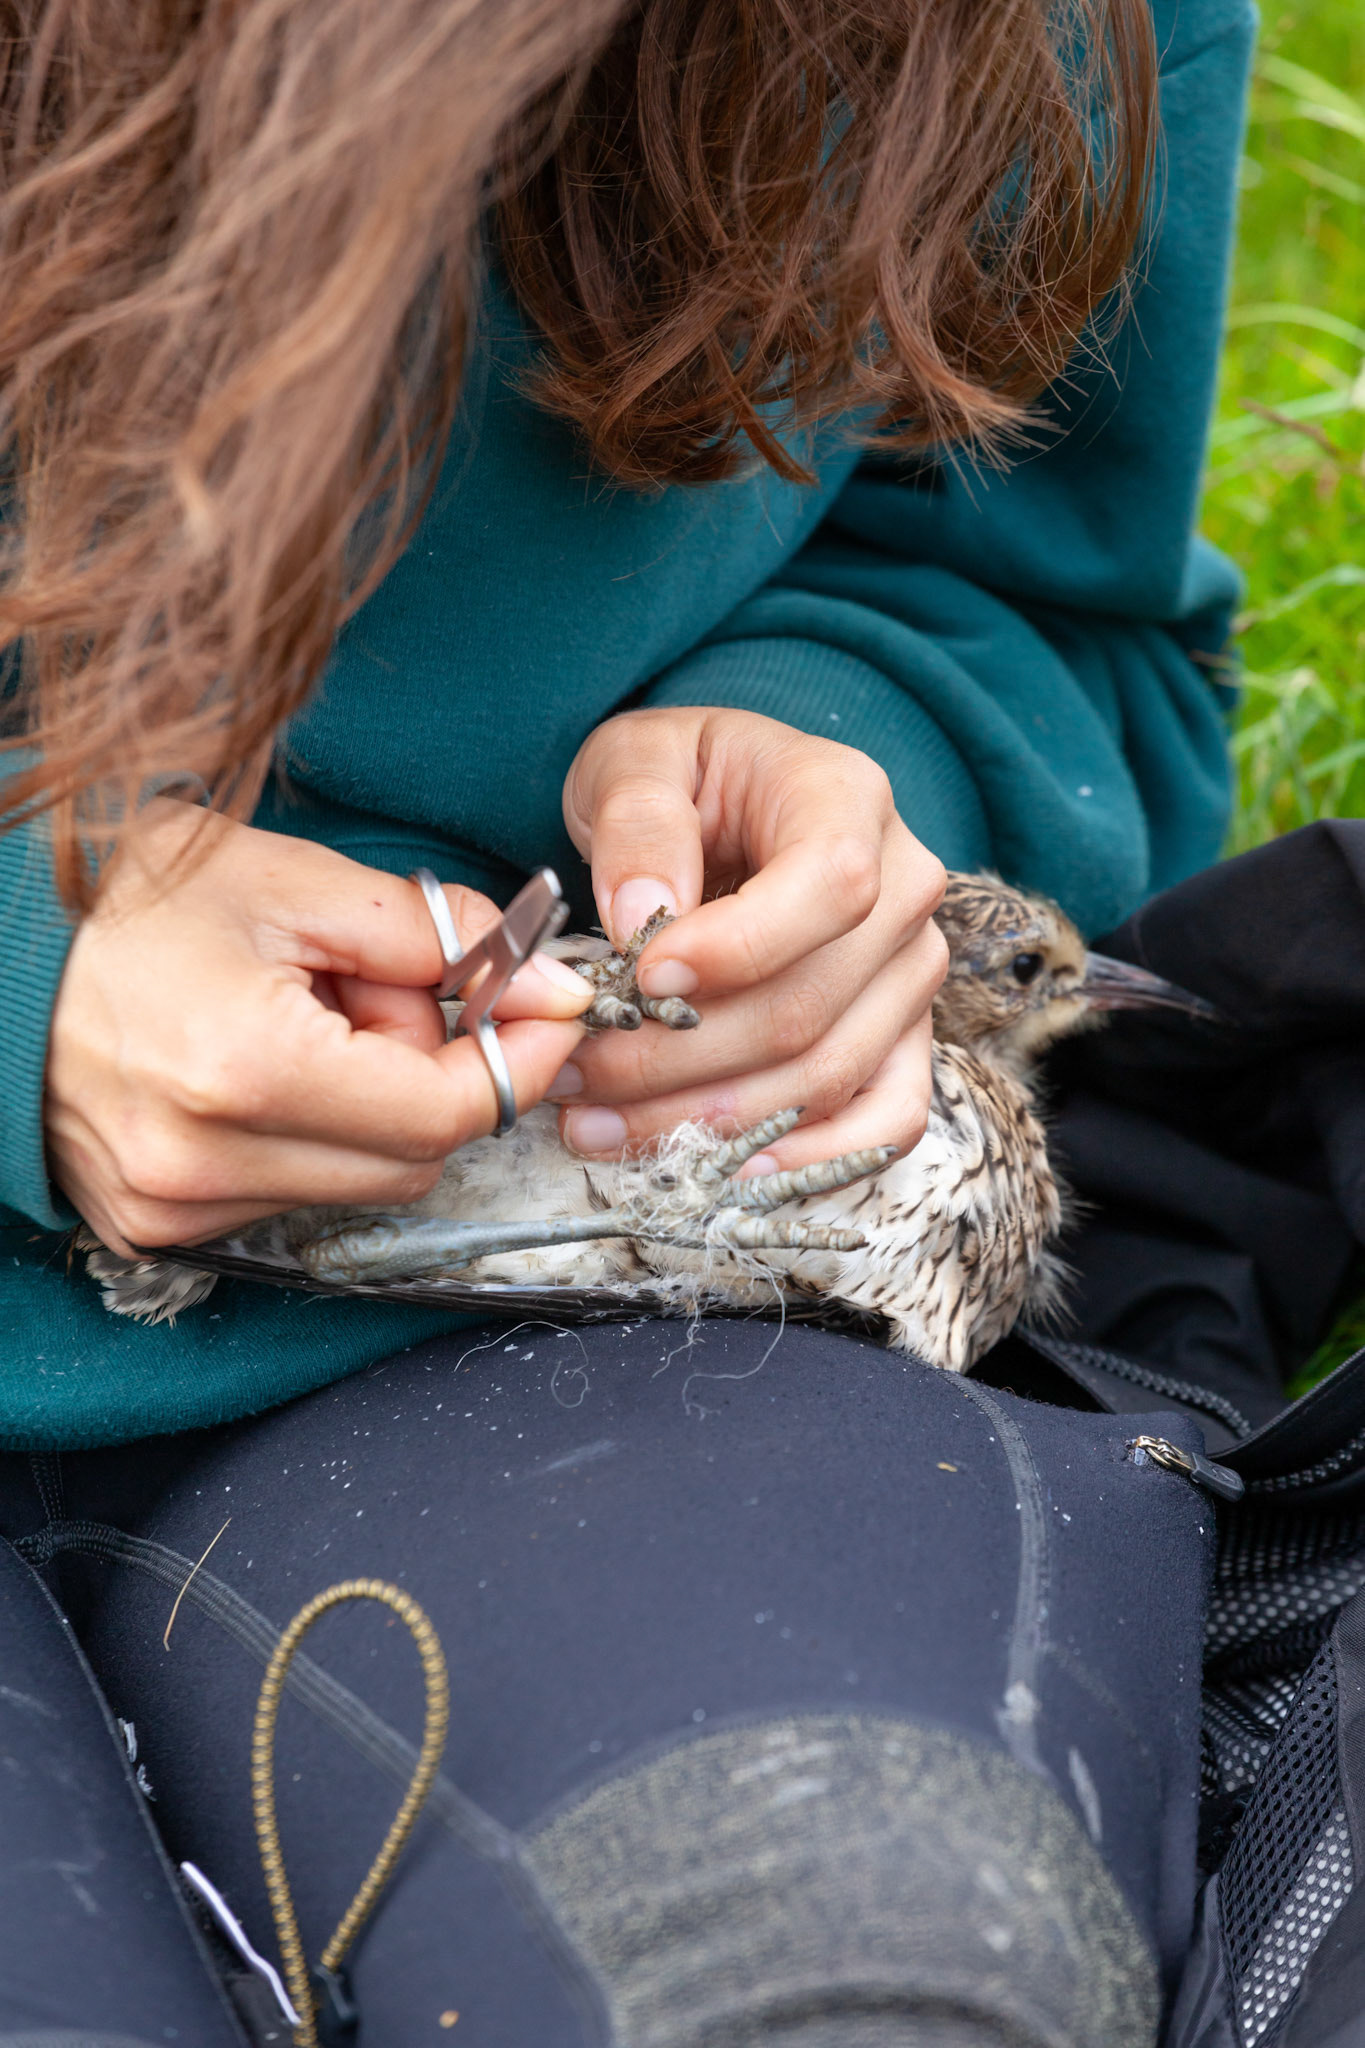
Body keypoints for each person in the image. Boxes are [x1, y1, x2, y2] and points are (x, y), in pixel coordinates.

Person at [0, 0, 1255, 2040]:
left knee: (861, 1965)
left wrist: (838, 754)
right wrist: (23, 973)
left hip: (587, 1345)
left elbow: (1043, 599)